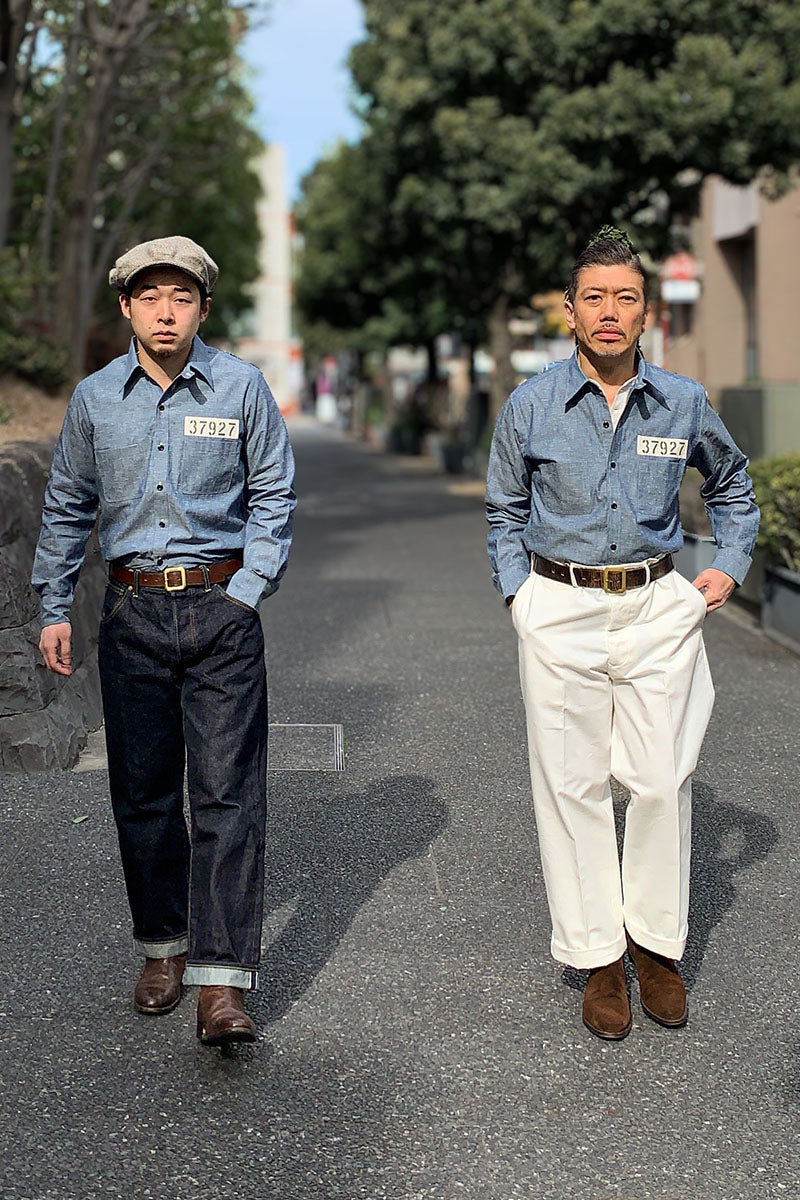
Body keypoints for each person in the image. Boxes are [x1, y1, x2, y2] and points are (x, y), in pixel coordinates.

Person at [486, 227, 759, 1040]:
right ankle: (597, 955)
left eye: (626, 298)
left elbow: (734, 484)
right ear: (570, 313)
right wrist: (519, 601)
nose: (610, 313)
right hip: (558, 606)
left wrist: (730, 564)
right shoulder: (531, 405)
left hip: (656, 606)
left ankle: (653, 946)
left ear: (647, 314)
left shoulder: (682, 401)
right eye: (594, 298)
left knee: (661, 778)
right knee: (570, 787)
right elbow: (503, 509)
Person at [32, 236, 296, 1047]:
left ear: (203, 309)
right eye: (151, 296)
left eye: (181, 297)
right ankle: (163, 947)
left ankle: (221, 983)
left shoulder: (242, 387)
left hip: (220, 611)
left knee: (225, 796)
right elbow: (70, 502)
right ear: (127, 307)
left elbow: (274, 493)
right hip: (131, 616)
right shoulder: (94, 399)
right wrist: (52, 605)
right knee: (143, 797)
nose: (166, 310)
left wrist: (245, 593)